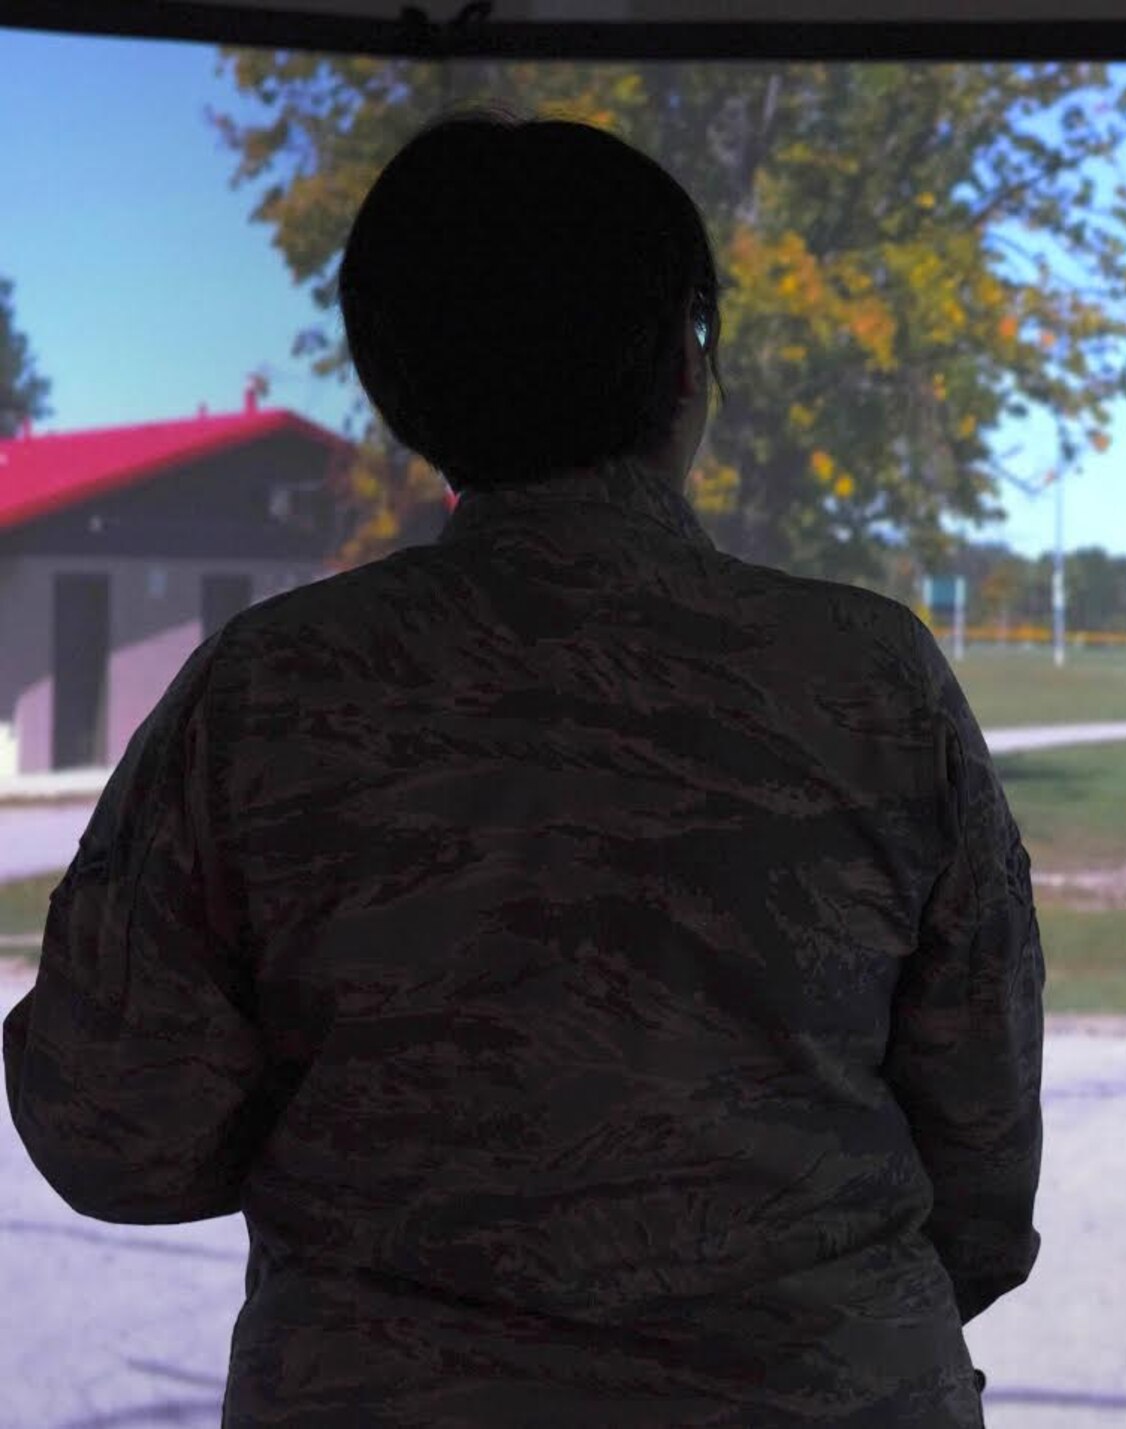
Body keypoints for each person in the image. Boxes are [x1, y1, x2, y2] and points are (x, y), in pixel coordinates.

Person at [4, 113, 1043, 1427]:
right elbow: (985, 1165)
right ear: (688, 358)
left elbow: (111, 1133)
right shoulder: (871, 680)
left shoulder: (272, 694)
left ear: (394, 384)